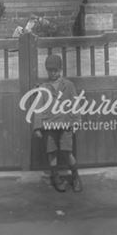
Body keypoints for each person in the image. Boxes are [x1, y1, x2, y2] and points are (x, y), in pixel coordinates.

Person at [33, 52, 82, 192]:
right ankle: (56, 178)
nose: (53, 73)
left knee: (67, 152)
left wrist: (76, 121)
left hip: (65, 124)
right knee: (52, 152)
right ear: (47, 71)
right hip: (49, 125)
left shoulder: (68, 85)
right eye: (50, 70)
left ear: (60, 70)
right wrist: (37, 127)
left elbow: (75, 104)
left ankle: (76, 177)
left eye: (55, 70)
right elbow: (38, 108)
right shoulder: (44, 88)